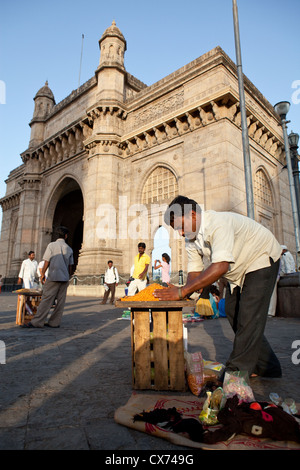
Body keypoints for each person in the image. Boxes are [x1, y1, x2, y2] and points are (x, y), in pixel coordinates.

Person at [154, 195, 282, 379]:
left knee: (248, 316)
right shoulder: (190, 238)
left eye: (181, 227)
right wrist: (184, 292)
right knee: (232, 311)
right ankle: (267, 366)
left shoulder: (218, 223)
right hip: (239, 270)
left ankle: (236, 375)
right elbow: (195, 272)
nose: (180, 233)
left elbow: (220, 266)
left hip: (261, 259)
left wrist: (182, 291)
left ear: (192, 215)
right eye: (177, 230)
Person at [22, 226, 74, 328]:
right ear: (66, 236)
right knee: (60, 302)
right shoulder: (69, 249)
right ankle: (54, 322)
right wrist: (68, 276)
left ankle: (37, 322)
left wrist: (42, 274)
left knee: (46, 299)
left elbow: (47, 261)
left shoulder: (51, 245)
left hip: (53, 276)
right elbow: (70, 266)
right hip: (64, 278)